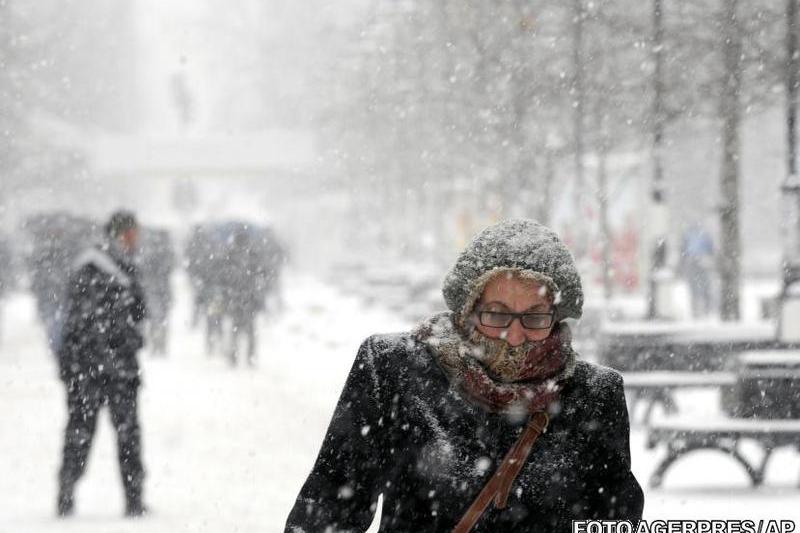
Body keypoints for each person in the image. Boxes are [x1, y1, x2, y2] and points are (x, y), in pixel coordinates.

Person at [285, 219, 643, 532]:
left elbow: (613, 522)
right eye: (497, 315)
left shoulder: (593, 394)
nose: (514, 336)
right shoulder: (394, 369)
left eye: (534, 317)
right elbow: (328, 509)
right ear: (468, 309)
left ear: (556, 316)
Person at [56, 210, 148, 517]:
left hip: (96, 368)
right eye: (133, 234)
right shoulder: (99, 267)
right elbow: (97, 319)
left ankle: (71, 491)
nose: (137, 240)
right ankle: (124, 499)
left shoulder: (109, 264)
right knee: (107, 434)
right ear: (121, 234)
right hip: (103, 367)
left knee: (91, 433)